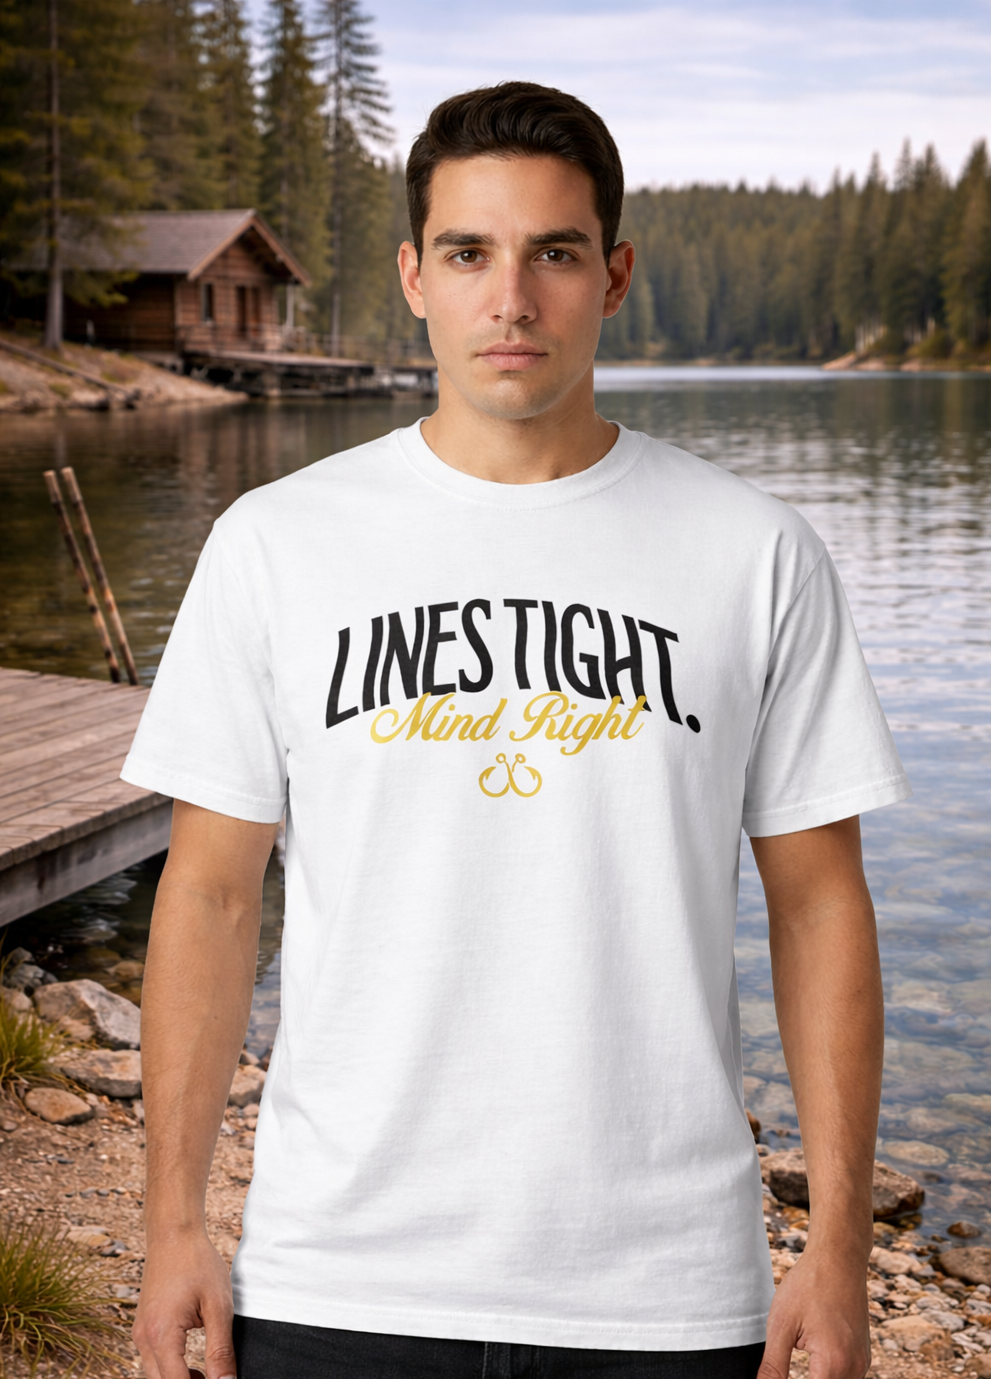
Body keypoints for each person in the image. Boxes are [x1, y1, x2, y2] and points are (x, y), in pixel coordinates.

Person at [125, 82, 910, 1379]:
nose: (512, 297)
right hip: (341, 1273)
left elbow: (822, 903)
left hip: (665, 1295)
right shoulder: (277, 545)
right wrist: (172, 1226)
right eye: (469, 252)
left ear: (614, 275)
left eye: (553, 252)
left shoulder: (754, 553)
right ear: (414, 276)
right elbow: (209, 894)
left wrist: (838, 1253)